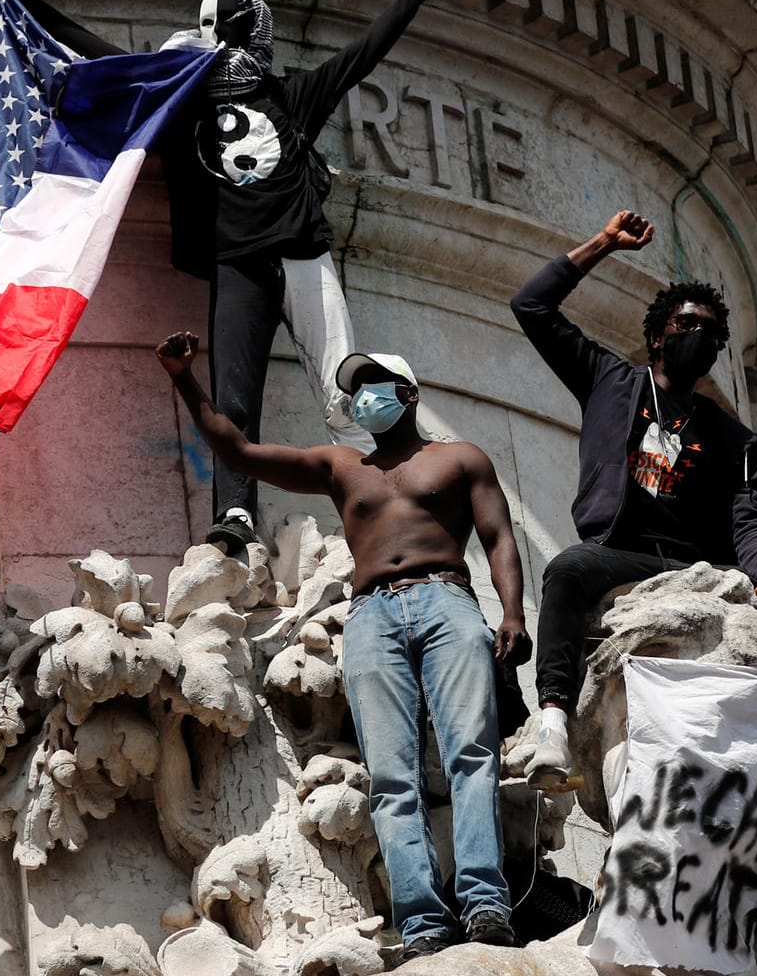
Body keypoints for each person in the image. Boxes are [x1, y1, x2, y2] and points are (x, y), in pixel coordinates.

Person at [509, 211, 757, 837]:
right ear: (657, 337)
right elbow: (531, 306)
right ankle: (554, 723)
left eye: (709, 330)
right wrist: (602, 246)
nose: (697, 335)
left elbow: (751, 519)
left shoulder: (735, 438)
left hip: (702, 567)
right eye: (685, 324)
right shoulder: (610, 381)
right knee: (568, 569)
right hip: (623, 552)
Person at [156, 330, 528, 959]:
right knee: (391, 776)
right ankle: (421, 924)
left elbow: (499, 538)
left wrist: (512, 613)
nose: (361, 399)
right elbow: (238, 450)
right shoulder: (341, 465)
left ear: (407, 394)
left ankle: (486, 902)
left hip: (447, 600)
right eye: (354, 390)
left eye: (372, 386)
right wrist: (184, 378)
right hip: (372, 615)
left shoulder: (460, 458)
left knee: (471, 754)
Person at [160, 0, 457, 553]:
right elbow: (363, 54)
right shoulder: (192, 105)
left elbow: (363, 55)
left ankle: (377, 496)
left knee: (344, 381)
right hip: (247, 263)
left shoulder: (279, 98)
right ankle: (237, 512)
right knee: (241, 393)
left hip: (293, 256)